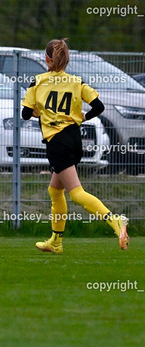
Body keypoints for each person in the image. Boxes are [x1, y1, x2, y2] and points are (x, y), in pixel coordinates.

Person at [22, 38, 128, 253]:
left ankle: (115, 221)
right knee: (55, 190)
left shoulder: (37, 82)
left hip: (56, 141)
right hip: (74, 138)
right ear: (66, 60)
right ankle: (56, 241)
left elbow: (25, 114)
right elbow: (99, 106)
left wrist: (40, 111)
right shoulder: (76, 82)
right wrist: (85, 117)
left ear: (47, 59)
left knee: (76, 193)